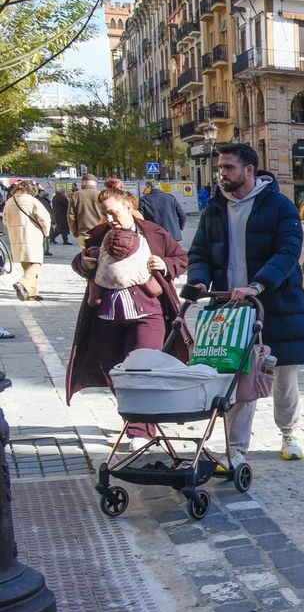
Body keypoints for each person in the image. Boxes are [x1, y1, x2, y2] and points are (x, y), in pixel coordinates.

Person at [187, 142, 304, 465]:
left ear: (249, 170)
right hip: (230, 307)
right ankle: (236, 447)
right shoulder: (215, 208)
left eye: (228, 167)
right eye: (221, 168)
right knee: (238, 375)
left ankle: (290, 433)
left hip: (276, 303)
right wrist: (200, 279)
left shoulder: (279, 206)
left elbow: (287, 252)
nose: (222, 174)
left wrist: (259, 284)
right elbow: (200, 251)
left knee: (283, 375)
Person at [65, 187, 189, 437]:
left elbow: (181, 258)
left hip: (147, 314)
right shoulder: (99, 235)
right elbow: (78, 263)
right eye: (105, 213)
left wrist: (165, 265)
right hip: (107, 315)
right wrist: (85, 263)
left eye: (113, 212)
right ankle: (134, 415)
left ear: (128, 207)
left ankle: (141, 430)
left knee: (142, 370)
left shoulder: (153, 232)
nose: (109, 219)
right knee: (114, 371)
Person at [5, 181, 51, 301]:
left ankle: (31, 293)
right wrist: (46, 233)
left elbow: (5, 220)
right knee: (36, 263)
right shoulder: (32, 200)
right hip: (32, 235)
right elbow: (44, 218)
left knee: (26, 264)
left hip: (15, 236)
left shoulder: (10, 201)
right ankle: (22, 283)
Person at [139, 182, 185, 247]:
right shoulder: (170, 198)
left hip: (154, 234)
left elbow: (140, 218)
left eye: (146, 187)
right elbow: (183, 216)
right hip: (172, 234)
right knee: (173, 255)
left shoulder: (144, 200)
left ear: (149, 187)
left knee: (157, 255)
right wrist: (179, 227)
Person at [68, 177, 106, 242]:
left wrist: (75, 232)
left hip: (83, 233)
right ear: (95, 184)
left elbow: (71, 216)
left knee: (85, 251)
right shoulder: (101, 195)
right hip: (100, 233)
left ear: (83, 184)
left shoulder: (76, 195)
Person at [49, 186, 70, 255]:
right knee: (62, 228)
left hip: (58, 214)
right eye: (64, 192)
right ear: (62, 192)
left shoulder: (55, 197)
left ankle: (62, 240)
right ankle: (53, 238)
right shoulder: (61, 197)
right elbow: (67, 205)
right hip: (62, 215)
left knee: (61, 228)